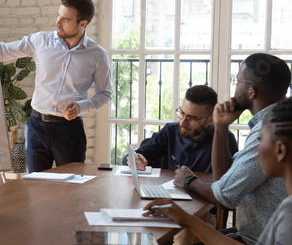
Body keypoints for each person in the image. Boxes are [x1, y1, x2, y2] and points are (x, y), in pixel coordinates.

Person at [0, 0, 112, 173]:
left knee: (71, 191)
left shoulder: (97, 55)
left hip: (70, 131)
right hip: (37, 126)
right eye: (58, 16)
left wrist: (81, 106)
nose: (58, 23)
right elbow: (3, 50)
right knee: (35, 189)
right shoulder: (40, 41)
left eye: (66, 20)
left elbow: (105, 94)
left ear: (82, 24)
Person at [172, 53, 291, 244]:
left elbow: (225, 196)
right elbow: (225, 180)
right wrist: (220, 126)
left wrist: (189, 181)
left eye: (237, 81)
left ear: (252, 91)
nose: (234, 88)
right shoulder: (277, 122)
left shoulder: (269, 129)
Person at [143, 96, 292, 245]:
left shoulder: (288, 211)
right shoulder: (286, 206)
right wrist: (185, 218)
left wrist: (186, 218)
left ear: (281, 150)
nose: (253, 151)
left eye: (259, 140)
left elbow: (226, 193)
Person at [124, 85, 239, 173]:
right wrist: (134, 159)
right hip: (173, 198)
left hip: (207, 199)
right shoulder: (170, 131)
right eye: (182, 113)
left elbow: (228, 183)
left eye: (191, 118)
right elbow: (131, 156)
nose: (183, 122)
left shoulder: (225, 138)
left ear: (210, 120)